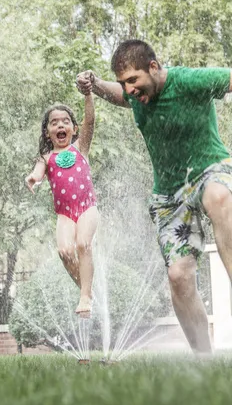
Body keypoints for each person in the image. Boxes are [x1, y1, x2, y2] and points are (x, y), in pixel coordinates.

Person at [77, 39, 232, 353]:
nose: (130, 89)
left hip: (209, 167)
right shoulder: (136, 96)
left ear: (154, 67)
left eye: (133, 79)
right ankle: (204, 359)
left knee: (219, 197)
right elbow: (120, 95)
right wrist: (95, 84)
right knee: (178, 276)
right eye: (124, 82)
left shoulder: (188, 81)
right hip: (169, 195)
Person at [25, 81, 99, 317]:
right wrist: (33, 179)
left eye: (65, 121)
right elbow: (37, 172)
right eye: (54, 122)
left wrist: (88, 94)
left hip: (87, 207)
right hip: (65, 214)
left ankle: (86, 296)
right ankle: (86, 290)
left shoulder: (80, 148)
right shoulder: (46, 158)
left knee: (82, 245)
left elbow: (91, 121)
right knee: (65, 252)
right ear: (47, 132)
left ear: (74, 129)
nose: (60, 125)